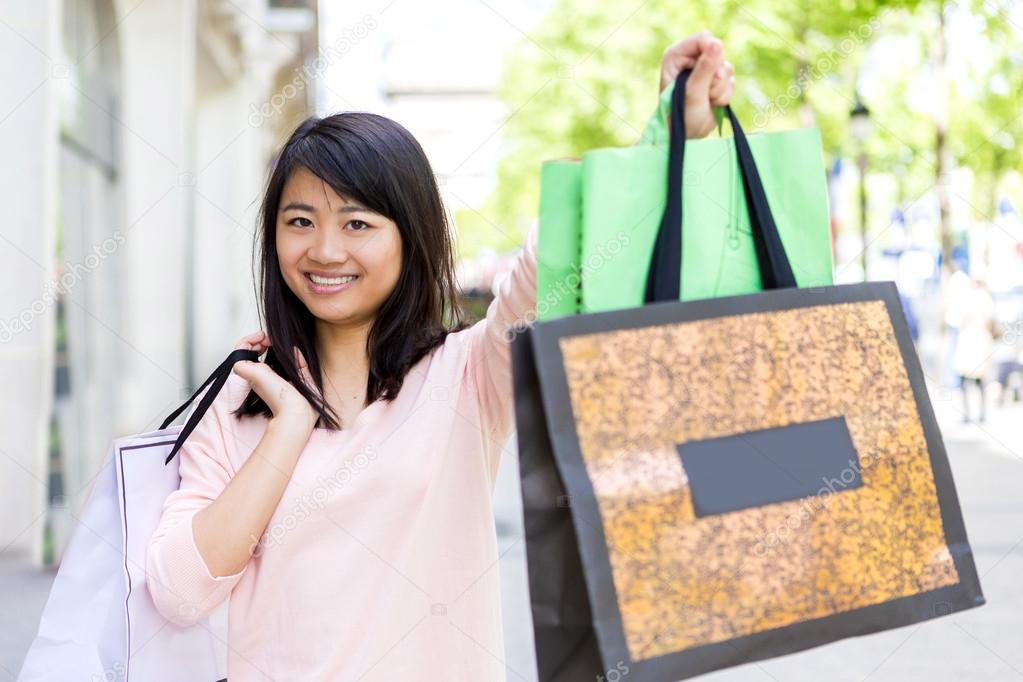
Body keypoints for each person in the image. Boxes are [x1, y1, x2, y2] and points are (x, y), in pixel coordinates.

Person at [144, 32, 735, 681]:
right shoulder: (237, 399)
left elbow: (564, 258)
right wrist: (286, 428)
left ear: (411, 237)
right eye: (300, 221)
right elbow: (177, 595)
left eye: (358, 223)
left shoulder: (467, 373)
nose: (324, 250)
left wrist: (665, 133)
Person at [953, 275, 996, 422]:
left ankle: (967, 413)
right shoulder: (987, 298)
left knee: (965, 380)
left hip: (969, 341)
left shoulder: (969, 298)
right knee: (980, 380)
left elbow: (958, 319)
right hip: (981, 341)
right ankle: (981, 413)